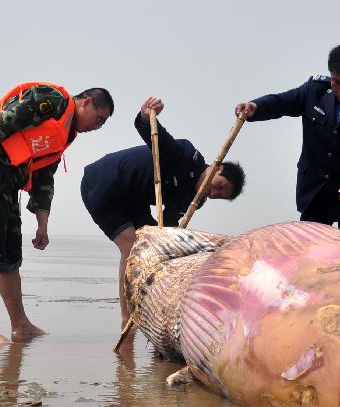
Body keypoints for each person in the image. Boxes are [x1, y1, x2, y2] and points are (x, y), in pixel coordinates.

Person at [0, 83, 113, 345]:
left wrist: (42, 225)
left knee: (10, 258)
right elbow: (5, 122)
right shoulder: (53, 101)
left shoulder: (64, 135)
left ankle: (21, 325)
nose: (97, 127)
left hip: (8, 184)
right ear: (86, 103)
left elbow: (43, 179)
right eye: (100, 120)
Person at [81, 97, 246, 329]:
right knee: (132, 248)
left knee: (153, 249)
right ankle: (126, 319)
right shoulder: (186, 156)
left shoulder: (194, 202)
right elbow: (155, 135)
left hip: (135, 199)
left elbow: (166, 227)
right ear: (217, 167)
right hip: (105, 182)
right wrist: (145, 117)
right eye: (218, 185)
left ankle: (154, 315)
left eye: (218, 195)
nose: (213, 192)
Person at [234, 43, 340, 230]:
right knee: (309, 253)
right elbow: (281, 102)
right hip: (314, 194)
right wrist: (256, 107)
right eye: (336, 81)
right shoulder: (314, 91)